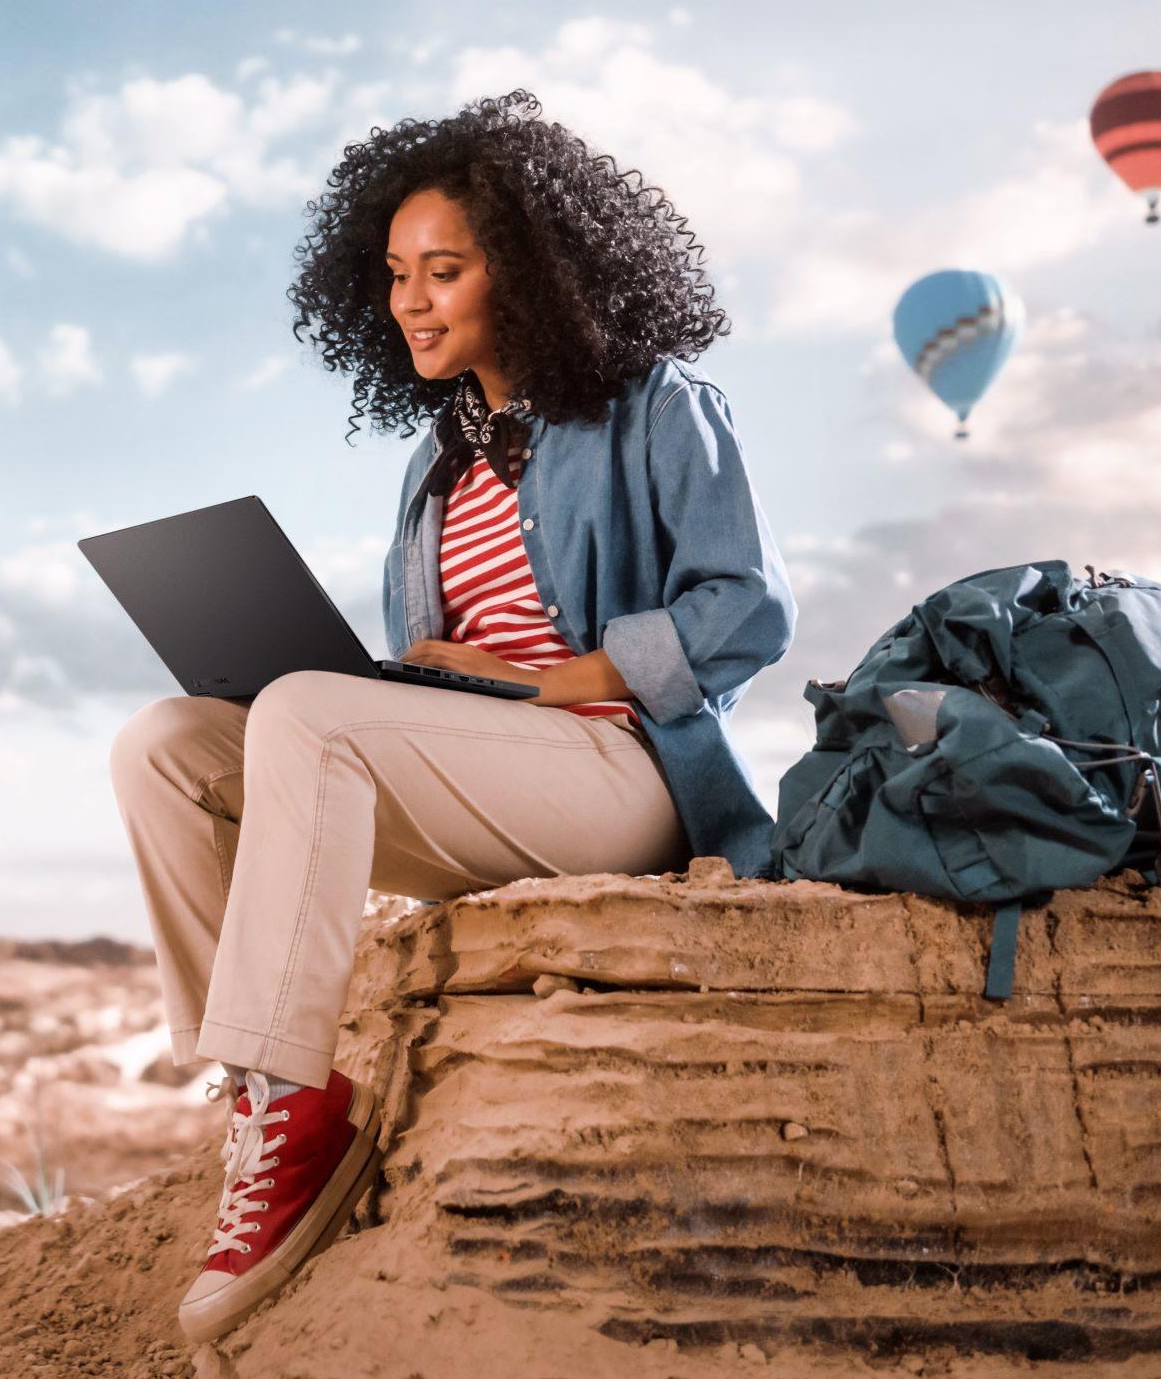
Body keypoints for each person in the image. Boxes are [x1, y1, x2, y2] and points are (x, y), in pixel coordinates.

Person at [110, 89, 797, 1344]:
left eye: (445, 270)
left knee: (315, 714)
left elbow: (744, 611)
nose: (410, 300)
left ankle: (287, 1108)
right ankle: (278, 1099)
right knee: (163, 742)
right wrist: (407, 679)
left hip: (627, 772)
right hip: (495, 777)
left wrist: (542, 683)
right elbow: (435, 681)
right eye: (392, 275)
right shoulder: (438, 463)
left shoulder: (657, 403)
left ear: (527, 273)